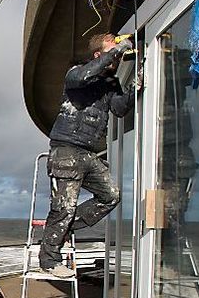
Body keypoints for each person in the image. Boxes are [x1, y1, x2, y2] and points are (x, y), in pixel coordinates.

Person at [38, 33, 138, 277]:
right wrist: (117, 49)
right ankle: (49, 260)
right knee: (64, 205)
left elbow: (119, 108)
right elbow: (82, 77)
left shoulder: (109, 83)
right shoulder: (76, 72)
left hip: (88, 152)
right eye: (111, 47)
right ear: (98, 55)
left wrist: (136, 85)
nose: (117, 50)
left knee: (110, 195)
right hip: (67, 149)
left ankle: (65, 228)